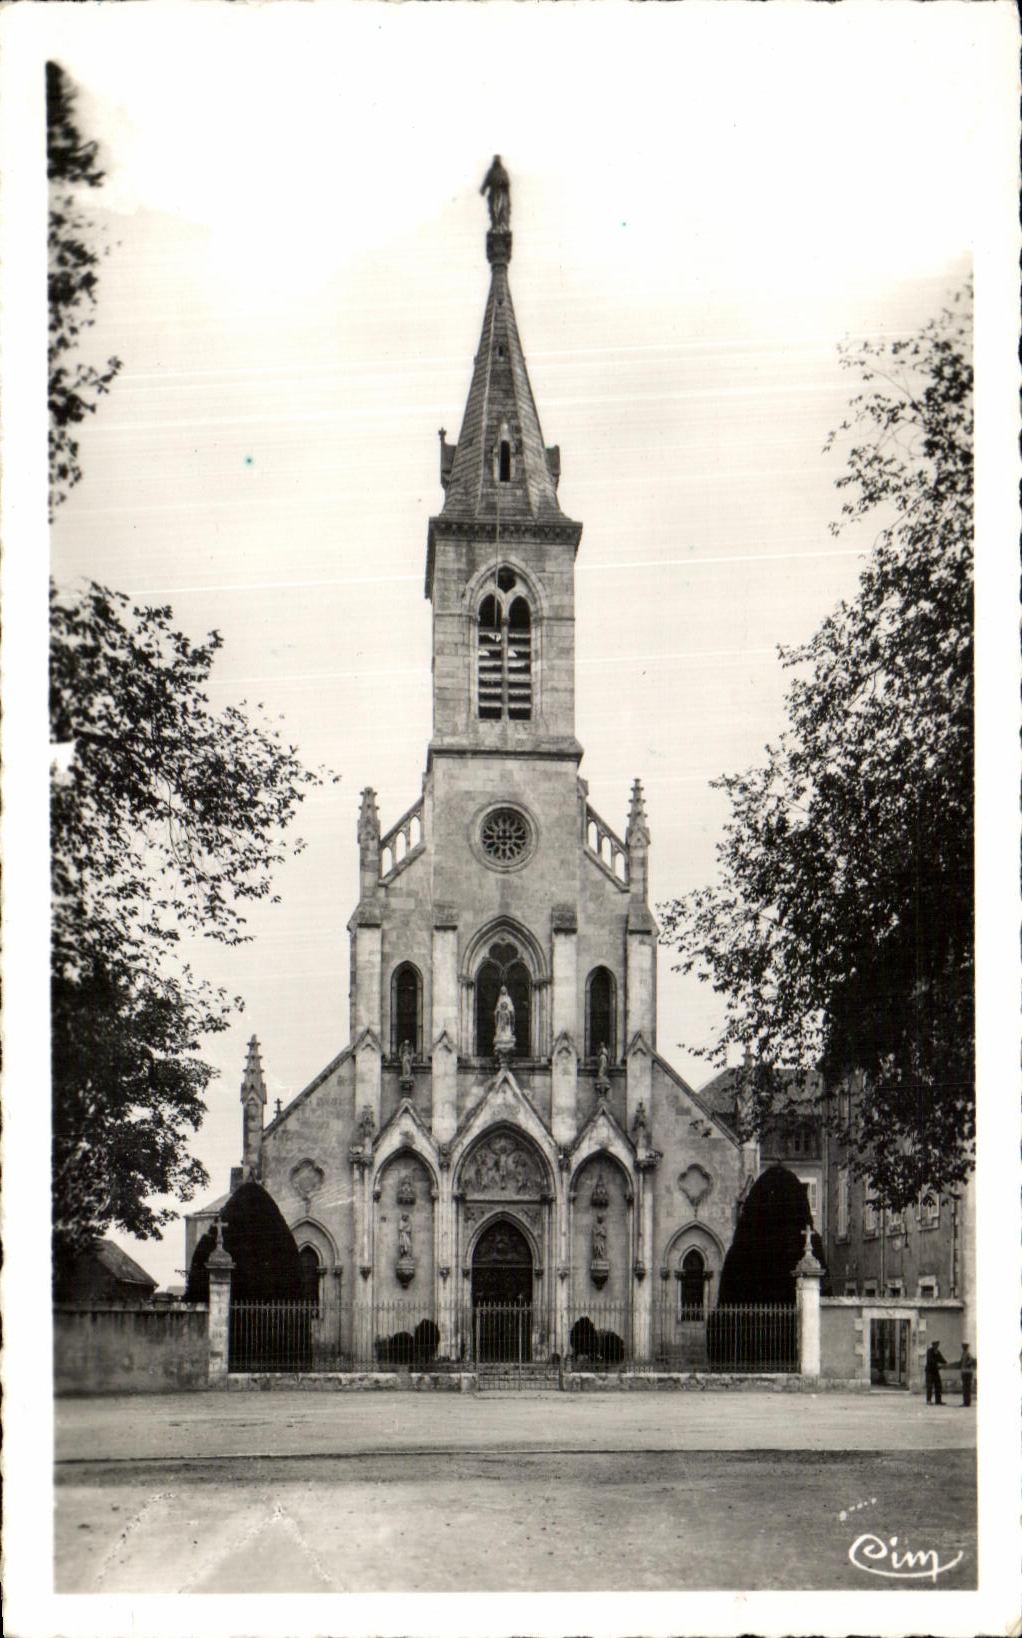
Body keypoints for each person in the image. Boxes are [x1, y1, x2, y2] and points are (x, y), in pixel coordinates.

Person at [925, 1339, 948, 1404]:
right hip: (929, 1371)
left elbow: (941, 1359)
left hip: (935, 1371)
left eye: (938, 1344)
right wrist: (938, 1365)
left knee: (938, 1385)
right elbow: (930, 1360)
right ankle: (928, 1400)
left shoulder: (937, 1351)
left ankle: (938, 1400)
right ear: (933, 1345)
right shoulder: (929, 1351)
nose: (937, 1345)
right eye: (936, 1344)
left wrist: (946, 1363)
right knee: (929, 1386)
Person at [957, 1343, 976, 1407]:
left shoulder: (968, 1353)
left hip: (967, 1372)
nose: (963, 1347)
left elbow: (972, 1360)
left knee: (966, 1388)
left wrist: (967, 1364)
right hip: (964, 1372)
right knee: (965, 1388)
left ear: (966, 1347)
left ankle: (966, 1403)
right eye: (963, 1346)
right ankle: (966, 1402)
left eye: (964, 1346)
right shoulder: (964, 1353)